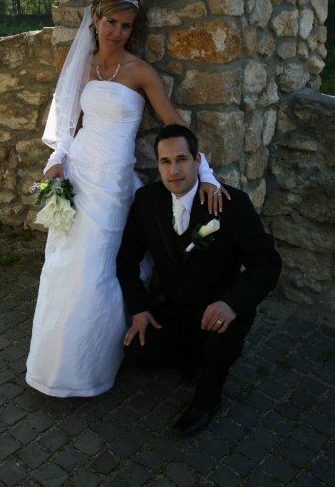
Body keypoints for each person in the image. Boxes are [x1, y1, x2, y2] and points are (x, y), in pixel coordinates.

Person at [26, 0, 225, 398]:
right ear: (96, 21)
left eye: (126, 26)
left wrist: (205, 173)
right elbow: (72, 127)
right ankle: (51, 364)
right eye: (111, 23)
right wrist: (56, 161)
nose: (116, 32)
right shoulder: (81, 66)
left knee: (99, 271)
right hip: (78, 176)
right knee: (64, 266)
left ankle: (92, 365)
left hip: (113, 185)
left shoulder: (140, 72)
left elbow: (175, 126)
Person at [116, 124, 281, 435]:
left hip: (219, 309)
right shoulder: (147, 200)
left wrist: (232, 304)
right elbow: (126, 260)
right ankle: (198, 356)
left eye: (181, 159)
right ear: (158, 165)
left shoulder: (232, 204)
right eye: (165, 162)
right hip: (175, 308)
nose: (174, 170)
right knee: (136, 351)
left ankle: (209, 396)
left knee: (221, 341)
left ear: (197, 161)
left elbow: (267, 264)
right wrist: (139, 309)